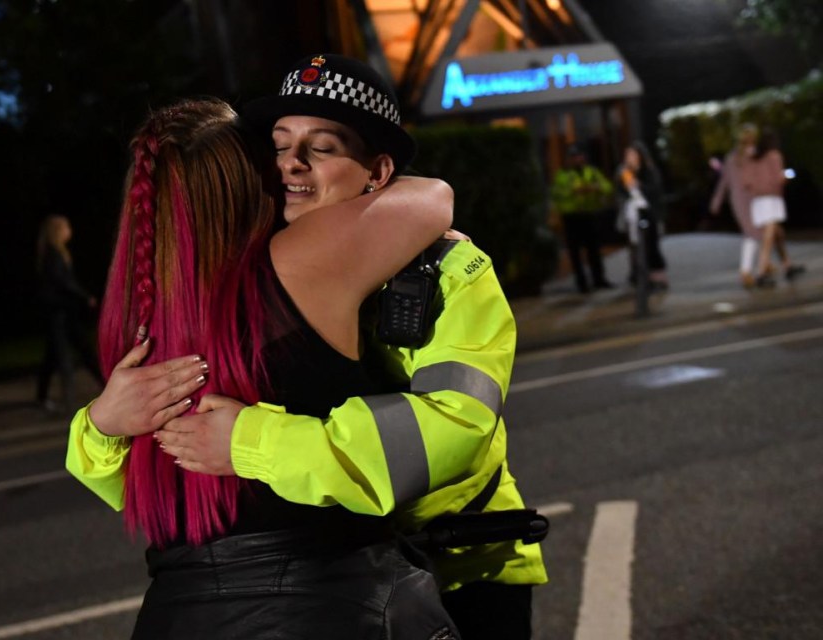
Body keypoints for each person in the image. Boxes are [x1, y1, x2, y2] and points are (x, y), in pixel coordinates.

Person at [70, 54, 547, 640]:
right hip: (370, 573)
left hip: (466, 565)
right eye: (276, 145)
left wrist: (251, 440)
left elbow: (452, 430)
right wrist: (98, 428)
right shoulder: (247, 278)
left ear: (377, 173)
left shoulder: (449, 265)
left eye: (320, 148)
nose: (290, 164)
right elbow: (175, 465)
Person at [34, 214, 103, 413]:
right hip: (58, 313)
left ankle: (45, 396)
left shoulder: (57, 253)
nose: (69, 231)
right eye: (66, 227)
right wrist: (85, 297)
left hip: (64, 312)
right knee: (62, 356)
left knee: (69, 351)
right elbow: (63, 283)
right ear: (57, 231)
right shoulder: (53, 255)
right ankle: (69, 399)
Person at [741, 127, 805, 287]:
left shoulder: (751, 158)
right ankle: (761, 272)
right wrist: (786, 176)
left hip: (758, 201)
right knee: (769, 237)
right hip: (771, 199)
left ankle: (787, 265)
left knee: (778, 234)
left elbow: (746, 182)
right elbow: (778, 179)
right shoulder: (774, 156)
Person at [550, 144, 615, 293]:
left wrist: (595, 188)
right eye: (574, 157)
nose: (577, 159)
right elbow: (556, 193)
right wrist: (573, 191)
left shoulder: (591, 171)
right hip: (571, 217)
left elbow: (607, 187)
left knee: (594, 249)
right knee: (575, 252)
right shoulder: (563, 174)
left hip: (589, 214)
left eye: (579, 156)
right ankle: (582, 283)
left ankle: (599, 279)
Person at [709, 122, 763, 288]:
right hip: (740, 200)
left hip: (756, 198)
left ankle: (760, 264)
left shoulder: (755, 154)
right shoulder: (733, 158)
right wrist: (716, 200)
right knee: (752, 232)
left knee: (758, 232)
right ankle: (747, 270)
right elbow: (724, 182)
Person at [614, 141, 669, 291]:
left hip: (650, 214)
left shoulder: (649, 170)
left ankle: (657, 277)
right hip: (632, 216)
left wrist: (639, 185)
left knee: (652, 245)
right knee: (635, 247)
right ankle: (638, 275)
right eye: (627, 155)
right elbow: (620, 193)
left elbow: (655, 191)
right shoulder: (623, 172)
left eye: (632, 154)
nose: (629, 157)